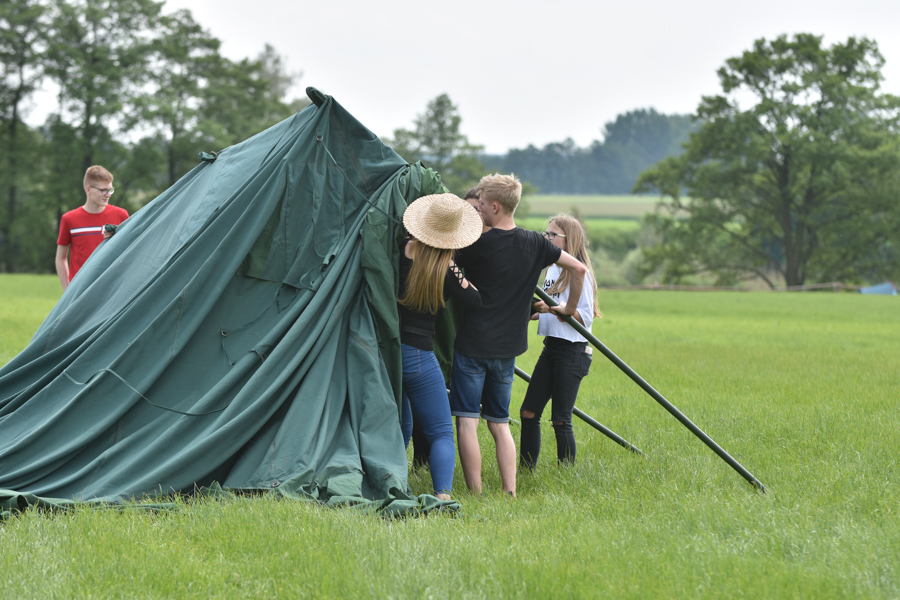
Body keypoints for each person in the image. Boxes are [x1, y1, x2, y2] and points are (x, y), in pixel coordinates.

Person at [451, 174, 587, 498]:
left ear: (494, 206)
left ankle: (476, 493)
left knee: (467, 420)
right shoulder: (537, 243)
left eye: (481, 203)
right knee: (499, 423)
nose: (478, 208)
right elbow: (579, 269)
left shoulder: (475, 246)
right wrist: (567, 308)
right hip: (508, 350)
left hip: (472, 345)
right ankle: (510, 492)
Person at [398, 192, 483, 500]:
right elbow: (474, 299)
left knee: (401, 424)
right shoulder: (445, 267)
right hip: (419, 354)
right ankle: (443, 495)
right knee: (440, 432)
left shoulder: (400, 249)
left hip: (386, 352)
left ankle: (393, 484)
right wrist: (453, 265)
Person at [520, 214, 600, 469]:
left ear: (569, 239)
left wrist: (553, 309)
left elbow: (583, 316)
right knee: (528, 412)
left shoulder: (579, 273)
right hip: (551, 347)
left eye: (553, 235)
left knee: (561, 419)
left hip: (572, 350)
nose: (547, 238)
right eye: (547, 234)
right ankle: (525, 469)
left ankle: (565, 474)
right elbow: (546, 307)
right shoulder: (553, 268)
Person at [55, 165, 129, 290]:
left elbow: (130, 251)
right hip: (80, 290)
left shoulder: (121, 215)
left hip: (112, 288)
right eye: (103, 190)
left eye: (110, 189)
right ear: (88, 189)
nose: (108, 195)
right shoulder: (69, 219)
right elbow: (60, 257)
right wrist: (67, 290)